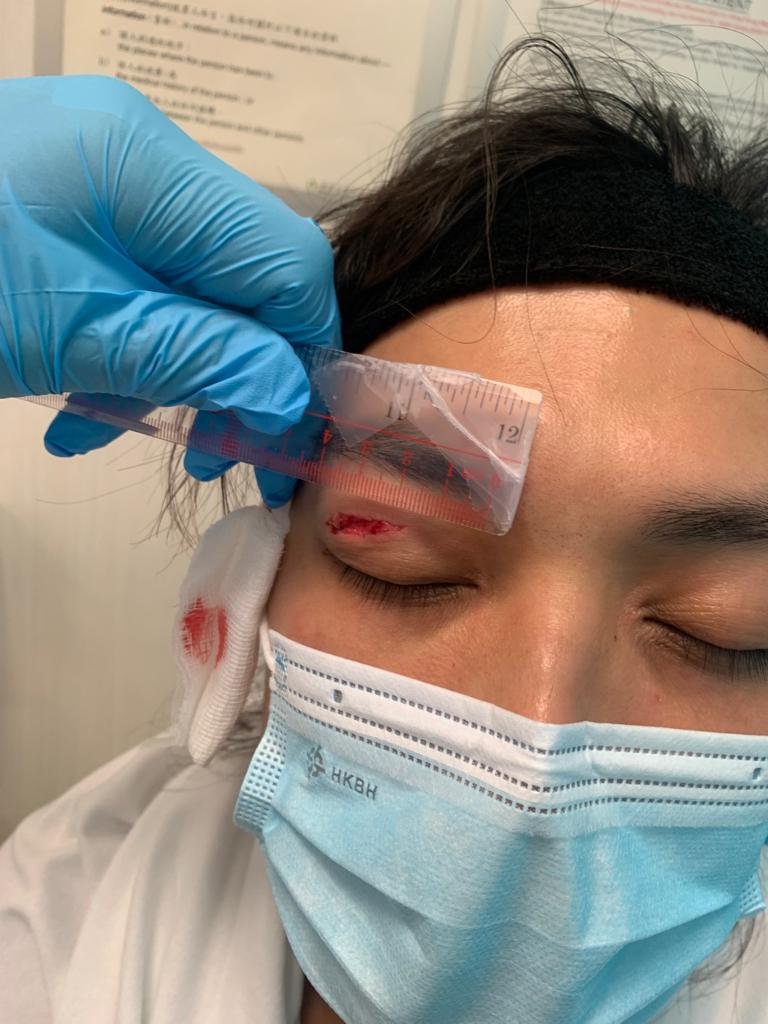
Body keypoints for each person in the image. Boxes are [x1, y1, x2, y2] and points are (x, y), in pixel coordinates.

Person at [2, 32, 768, 1024]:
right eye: (405, 563)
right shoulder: (60, 920)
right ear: (247, 591)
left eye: (728, 627)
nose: (536, 742)